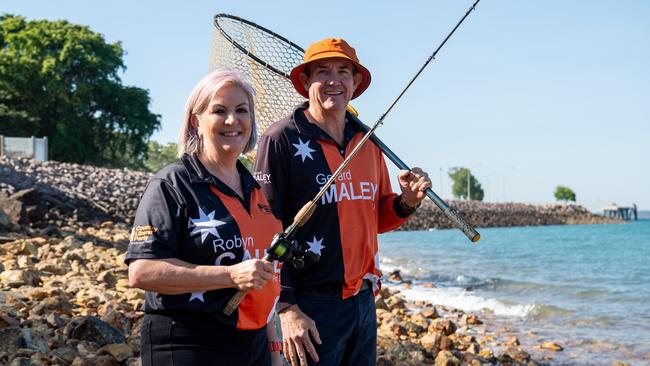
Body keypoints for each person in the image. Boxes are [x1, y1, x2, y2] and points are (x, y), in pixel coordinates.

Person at [253, 38, 432, 366]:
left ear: (356, 82)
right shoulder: (280, 139)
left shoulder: (367, 141)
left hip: (362, 301)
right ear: (306, 82)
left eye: (343, 72)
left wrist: (406, 202)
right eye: (322, 72)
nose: (333, 81)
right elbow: (263, 226)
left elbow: (376, 219)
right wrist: (287, 308)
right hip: (310, 305)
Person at [126, 69, 283, 366]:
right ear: (196, 121)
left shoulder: (256, 189)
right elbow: (141, 272)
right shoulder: (171, 184)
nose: (232, 121)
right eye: (219, 111)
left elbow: (266, 281)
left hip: (254, 344)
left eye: (241, 111)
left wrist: (274, 350)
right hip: (190, 342)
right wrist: (230, 275)